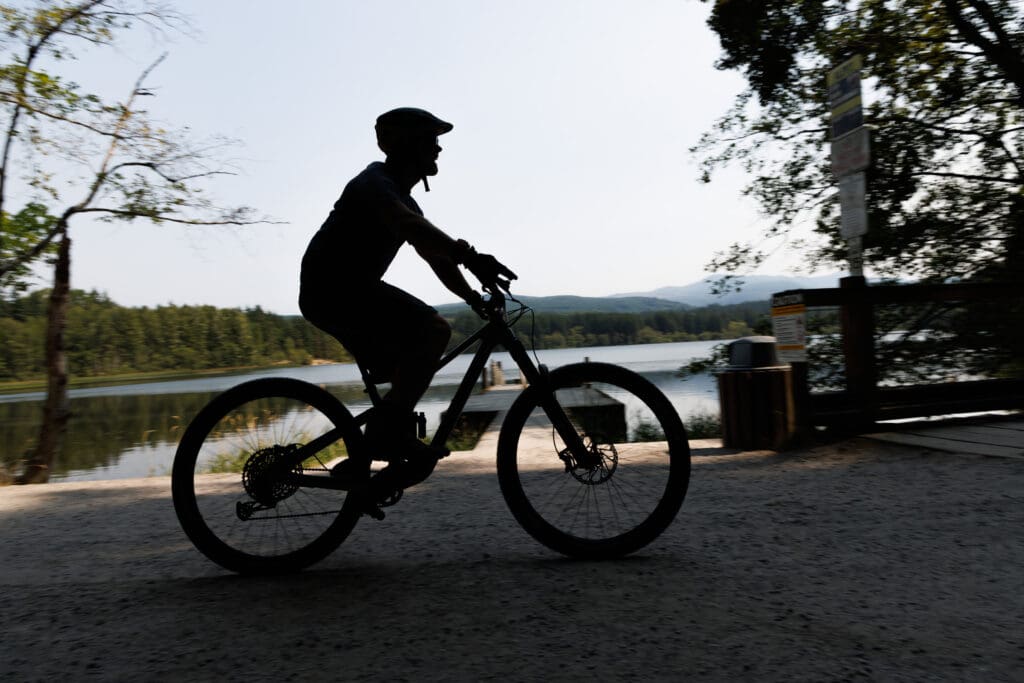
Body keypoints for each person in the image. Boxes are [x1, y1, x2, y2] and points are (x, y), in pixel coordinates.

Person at [299, 107, 515, 483]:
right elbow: (409, 226)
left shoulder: (400, 194)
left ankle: (371, 455)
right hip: (334, 289)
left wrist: (473, 299)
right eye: (431, 141)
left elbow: (435, 257)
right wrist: (471, 256)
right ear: (405, 144)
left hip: (347, 291)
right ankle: (387, 437)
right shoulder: (375, 184)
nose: (438, 150)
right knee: (433, 329)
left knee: (410, 360)